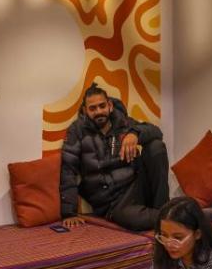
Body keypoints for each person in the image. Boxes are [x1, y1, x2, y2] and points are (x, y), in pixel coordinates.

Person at [59, 83, 169, 231]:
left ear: (109, 105)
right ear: (85, 111)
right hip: (112, 202)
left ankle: (163, 208)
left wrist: (135, 134)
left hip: (137, 186)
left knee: (156, 146)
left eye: (102, 106)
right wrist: (69, 213)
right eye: (93, 108)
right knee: (135, 221)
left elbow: (156, 132)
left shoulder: (123, 122)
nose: (98, 111)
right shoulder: (76, 131)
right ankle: (170, 217)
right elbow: (68, 170)